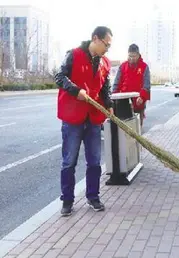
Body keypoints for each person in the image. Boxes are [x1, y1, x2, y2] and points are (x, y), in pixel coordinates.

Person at [54, 26, 114, 216]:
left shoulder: (105, 63)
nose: (107, 49)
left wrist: (109, 104)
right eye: (106, 44)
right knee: (69, 161)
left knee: (94, 161)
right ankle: (67, 201)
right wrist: (74, 90)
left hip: (94, 118)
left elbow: (105, 87)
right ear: (96, 39)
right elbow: (59, 76)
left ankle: (93, 196)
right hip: (73, 118)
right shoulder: (73, 55)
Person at [112, 44, 151, 127]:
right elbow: (116, 83)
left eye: (134, 56)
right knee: (124, 126)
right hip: (123, 100)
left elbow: (146, 85)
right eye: (130, 56)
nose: (132, 58)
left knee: (137, 126)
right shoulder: (123, 66)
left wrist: (142, 97)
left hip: (138, 100)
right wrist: (113, 97)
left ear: (138, 55)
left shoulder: (144, 67)